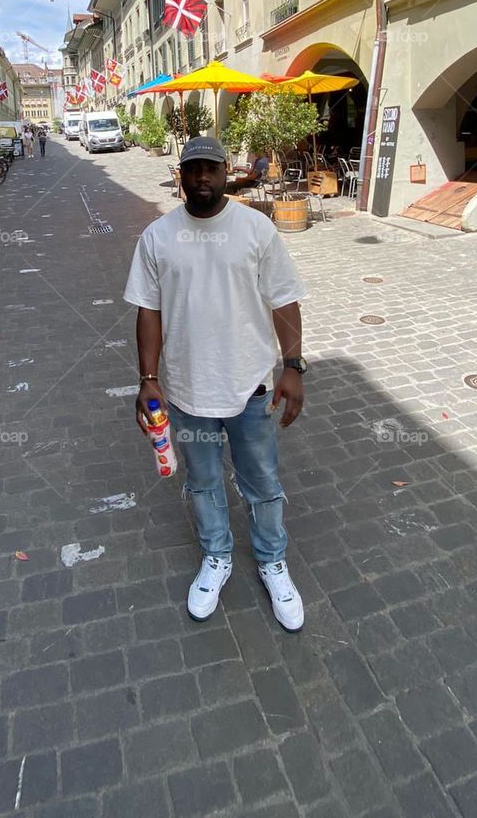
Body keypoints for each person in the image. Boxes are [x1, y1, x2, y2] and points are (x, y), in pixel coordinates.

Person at [124, 135, 308, 631]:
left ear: (227, 172)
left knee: (262, 482)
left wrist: (293, 366)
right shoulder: (158, 237)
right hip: (187, 393)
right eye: (193, 169)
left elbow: (284, 298)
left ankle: (272, 560)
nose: (202, 177)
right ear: (180, 176)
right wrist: (148, 379)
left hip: (251, 388)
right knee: (203, 483)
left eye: (211, 168)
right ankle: (217, 556)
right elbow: (148, 310)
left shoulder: (255, 229)